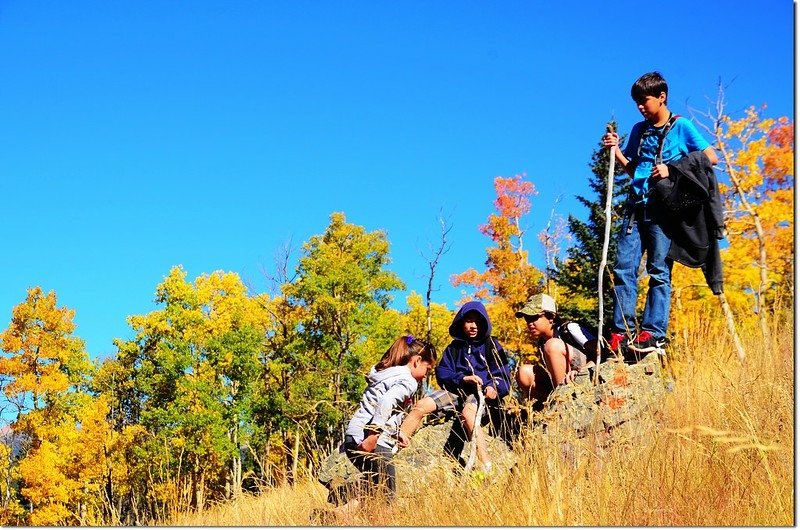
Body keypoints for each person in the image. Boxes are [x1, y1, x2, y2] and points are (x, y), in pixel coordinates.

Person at [603, 71, 719, 359]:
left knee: (658, 270)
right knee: (623, 267)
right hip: (636, 206)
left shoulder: (681, 126)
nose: (641, 107)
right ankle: (622, 332)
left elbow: (711, 157)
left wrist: (674, 168)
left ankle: (653, 332)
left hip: (663, 210)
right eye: (637, 103)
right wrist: (616, 151)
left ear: (661, 97)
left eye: (645, 101)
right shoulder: (639, 131)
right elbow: (634, 169)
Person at [399, 301, 511, 474]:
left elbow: (503, 374)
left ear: (483, 323)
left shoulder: (492, 345)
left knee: (468, 413)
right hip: (456, 390)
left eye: (477, 322)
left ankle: (486, 465)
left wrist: (493, 387)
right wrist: (462, 379)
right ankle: (398, 443)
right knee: (421, 405)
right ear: (461, 323)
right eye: (468, 321)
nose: (473, 326)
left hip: (479, 394)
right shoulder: (454, 348)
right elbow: (442, 373)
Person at [334, 335, 437, 512]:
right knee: (387, 499)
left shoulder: (385, 375)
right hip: (372, 442)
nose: (426, 376)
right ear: (417, 361)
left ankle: (335, 518)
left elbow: (382, 408)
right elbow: (386, 402)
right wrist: (373, 436)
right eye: (427, 369)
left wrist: (397, 433)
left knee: (373, 491)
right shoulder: (408, 380)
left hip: (353, 437)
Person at [514, 293, 600, 405]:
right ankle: (552, 403)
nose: (530, 323)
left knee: (552, 345)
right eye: (527, 319)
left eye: (534, 317)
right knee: (523, 373)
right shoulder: (541, 343)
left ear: (551, 317)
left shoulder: (569, 328)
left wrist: (583, 370)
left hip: (586, 373)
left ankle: (563, 403)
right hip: (563, 381)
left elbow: (601, 353)